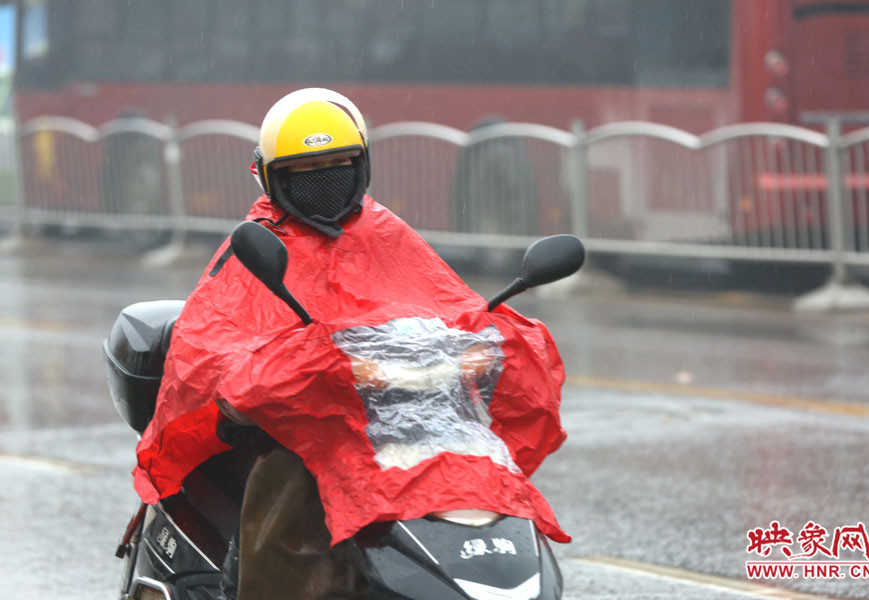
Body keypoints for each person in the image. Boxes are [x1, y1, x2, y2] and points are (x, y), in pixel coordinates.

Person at [132, 89, 570, 600]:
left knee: (477, 468)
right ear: (271, 176)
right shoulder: (255, 244)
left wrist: (488, 342)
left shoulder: (384, 232)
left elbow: (449, 306)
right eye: (303, 170)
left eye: (337, 165)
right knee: (293, 478)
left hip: (399, 422)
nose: (323, 179)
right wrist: (291, 373)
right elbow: (213, 353)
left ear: (361, 165)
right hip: (302, 428)